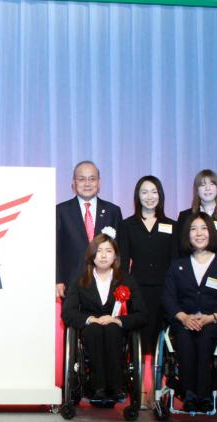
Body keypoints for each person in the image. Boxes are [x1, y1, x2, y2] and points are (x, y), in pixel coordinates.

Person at [162, 212, 217, 412]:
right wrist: (183, 317)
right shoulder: (177, 265)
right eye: (193, 229)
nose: (199, 233)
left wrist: (213, 316)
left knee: (206, 336)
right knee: (183, 337)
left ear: (211, 233)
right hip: (184, 321)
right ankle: (189, 393)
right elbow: (168, 297)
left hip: (216, 322)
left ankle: (205, 393)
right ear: (187, 235)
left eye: (204, 228)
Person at [62, 233, 146, 402]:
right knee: (94, 330)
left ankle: (116, 387)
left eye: (108, 251)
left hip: (116, 330)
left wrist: (118, 320)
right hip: (90, 329)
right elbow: (68, 312)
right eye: (99, 250)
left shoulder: (126, 280)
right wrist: (90, 319)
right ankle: (96, 387)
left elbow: (142, 314)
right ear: (91, 255)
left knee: (112, 329)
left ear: (115, 255)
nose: (103, 255)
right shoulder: (80, 281)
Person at [117, 175, 178, 354]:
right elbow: (123, 262)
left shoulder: (172, 226)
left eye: (154, 192)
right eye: (144, 192)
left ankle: (161, 378)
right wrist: (124, 289)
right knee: (139, 339)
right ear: (138, 196)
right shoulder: (127, 225)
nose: (149, 196)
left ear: (160, 195)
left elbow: (175, 261)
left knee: (163, 338)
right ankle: (140, 380)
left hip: (165, 290)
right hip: (138, 290)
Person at [56, 161, 123, 299]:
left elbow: (119, 249)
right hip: (71, 284)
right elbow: (55, 249)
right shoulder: (60, 211)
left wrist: (119, 280)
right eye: (81, 179)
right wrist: (58, 280)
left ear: (99, 182)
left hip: (107, 284)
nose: (87, 183)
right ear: (74, 183)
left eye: (92, 179)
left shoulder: (113, 211)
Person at [177, 169, 217, 258]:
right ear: (197, 190)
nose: (207, 188)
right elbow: (182, 248)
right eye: (202, 185)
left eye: (212, 184)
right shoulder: (185, 216)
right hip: (190, 269)